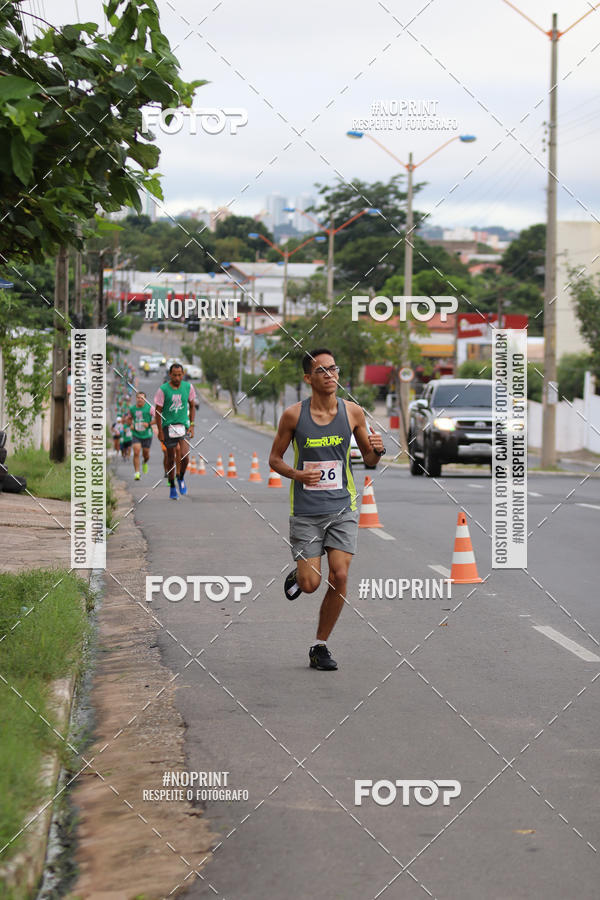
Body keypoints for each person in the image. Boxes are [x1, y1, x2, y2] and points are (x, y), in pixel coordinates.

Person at [269, 348, 385, 671]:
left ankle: (320, 646)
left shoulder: (353, 413)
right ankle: (300, 573)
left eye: (334, 369)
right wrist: (298, 474)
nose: (330, 375)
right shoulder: (293, 416)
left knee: (341, 574)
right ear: (308, 378)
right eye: (322, 371)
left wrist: (377, 450)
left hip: (342, 506)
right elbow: (274, 459)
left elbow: (371, 460)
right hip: (306, 510)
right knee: (310, 584)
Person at [154, 363, 196, 500]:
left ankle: (181, 477)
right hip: (168, 427)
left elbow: (192, 406)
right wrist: (160, 431)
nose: (177, 378)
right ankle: (172, 486)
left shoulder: (188, 387)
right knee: (171, 458)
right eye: (174, 375)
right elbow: (158, 411)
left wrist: (192, 425)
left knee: (185, 456)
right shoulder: (163, 390)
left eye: (179, 375)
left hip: (183, 426)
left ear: (183, 375)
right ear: (170, 375)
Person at [127, 391, 155, 481]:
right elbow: (128, 419)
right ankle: (137, 473)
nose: (140, 399)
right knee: (136, 452)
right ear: (136, 399)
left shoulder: (150, 408)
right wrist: (130, 424)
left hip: (147, 434)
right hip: (136, 434)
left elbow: (158, 419)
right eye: (138, 398)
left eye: (142, 398)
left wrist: (149, 424)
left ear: (145, 400)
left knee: (146, 454)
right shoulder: (132, 409)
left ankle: (145, 462)